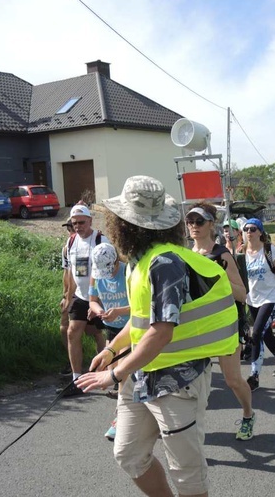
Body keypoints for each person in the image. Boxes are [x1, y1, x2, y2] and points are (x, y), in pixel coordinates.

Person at [76, 175, 238, 497]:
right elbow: (140, 322)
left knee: (186, 473)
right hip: (142, 374)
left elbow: (161, 331)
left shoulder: (164, 263)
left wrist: (115, 372)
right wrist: (111, 350)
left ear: (125, 224)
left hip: (178, 382)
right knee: (129, 454)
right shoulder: (140, 261)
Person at [186, 203, 256, 441]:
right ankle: (191, 432)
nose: (194, 226)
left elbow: (241, 293)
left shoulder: (221, 254)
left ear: (211, 225)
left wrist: (218, 275)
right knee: (192, 382)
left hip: (225, 325)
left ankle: (248, 414)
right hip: (197, 326)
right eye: (190, 221)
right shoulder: (186, 255)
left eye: (199, 221)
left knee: (232, 380)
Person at [243, 217, 275, 392]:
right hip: (252, 299)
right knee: (266, 333)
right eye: (246, 229)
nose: (249, 232)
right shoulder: (242, 252)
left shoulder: (270, 250)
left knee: (256, 333)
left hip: (271, 297)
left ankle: (254, 376)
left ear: (260, 232)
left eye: (253, 229)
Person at [64, 204, 107, 395]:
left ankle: (104, 374)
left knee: (100, 334)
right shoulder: (70, 242)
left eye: (81, 222)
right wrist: (67, 296)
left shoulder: (101, 240)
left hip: (101, 296)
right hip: (81, 296)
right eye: (74, 224)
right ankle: (76, 379)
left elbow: (110, 271)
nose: (78, 226)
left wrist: (96, 301)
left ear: (90, 220)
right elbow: (70, 272)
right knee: (73, 332)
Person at [88, 242, 130, 439]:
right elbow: (93, 300)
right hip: (111, 329)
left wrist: (119, 311)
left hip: (130, 328)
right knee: (109, 373)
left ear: (115, 261)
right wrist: (99, 312)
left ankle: (119, 420)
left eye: (109, 269)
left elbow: (142, 305)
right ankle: (135, 415)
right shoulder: (96, 276)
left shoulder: (128, 271)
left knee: (121, 374)